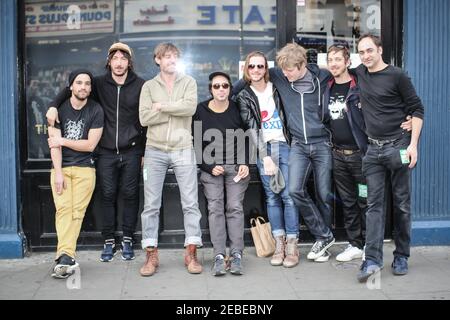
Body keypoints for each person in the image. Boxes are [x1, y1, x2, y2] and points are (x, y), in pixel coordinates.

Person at [46, 43, 146, 262]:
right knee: (107, 195)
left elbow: (147, 120)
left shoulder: (141, 85)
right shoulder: (98, 83)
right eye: (115, 58)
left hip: (132, 150)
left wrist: (144, 151)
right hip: (105, 151)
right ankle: (109, 240)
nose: (119, 63)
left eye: (123, 58)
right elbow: (71, 88)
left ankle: (128, 238)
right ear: (109, 61)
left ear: (129, 62)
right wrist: (54, 105)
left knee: (131, 195)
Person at [354, 34, 424, 282]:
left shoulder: (397, 75)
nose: (365, 56)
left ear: (380, 50)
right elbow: (333, 69)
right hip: (373, 151)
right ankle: (371, 260)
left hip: (399, 148)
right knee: (374, 206)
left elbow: (417, 109)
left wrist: (413, 145)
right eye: (361, 52)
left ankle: (402, 255)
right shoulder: (359, 73)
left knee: (402, 205)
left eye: (369, 50)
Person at [139, 43, 202, 276]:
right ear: (157, 60)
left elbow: (189, 108)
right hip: (154, 149)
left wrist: (162, 106)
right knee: (151, 206)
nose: (171, 60)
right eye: (166, 57)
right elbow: (144, 118)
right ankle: (151, 255)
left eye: (175, 56)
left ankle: (191, 252)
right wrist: (173, 109)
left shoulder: (189, 82)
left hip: (183, 147)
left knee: (190, 203)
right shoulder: (148, 86)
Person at [268, 43, 335, 261]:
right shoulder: (280, 76)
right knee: (295, 190)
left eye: (290, 70)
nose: (285, 74)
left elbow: (353, 79)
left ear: (302, 65)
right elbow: (252, 75)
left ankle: (322, 243)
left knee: (324, 195)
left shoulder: (322, 77)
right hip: (298, 144)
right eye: (283, 70)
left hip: (323, 143)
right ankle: (324, 236)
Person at [235, 51, 300, 268]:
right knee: (272, 196)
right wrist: (265, 157)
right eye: (251, 66)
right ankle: (278, 243)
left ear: (266, 69)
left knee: (289, 195)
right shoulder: (244, 96)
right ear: (246, 69)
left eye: (260, 66)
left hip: (286, 146)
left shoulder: (277, 88)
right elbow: (252, 129)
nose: (256, 70)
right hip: (265, 149)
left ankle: (292, 243)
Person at [48, 70, 104, 278]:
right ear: (70, 86)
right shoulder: (57, 111)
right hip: (61, 168)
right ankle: (65, 257)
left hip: (84, 169)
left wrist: (63, 140)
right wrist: (58, 173)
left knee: (76, 213)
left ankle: (64, 256)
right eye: (79, 83)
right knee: (63, 211)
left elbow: (89, 145)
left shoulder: (96, 110)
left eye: (87, 83)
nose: (83, 87)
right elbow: (54, 146)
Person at [193, 71, 250, 276]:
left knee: (234, 207)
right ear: (210, 89)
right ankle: (218, 255)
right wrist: (209, 166)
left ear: (229, 89)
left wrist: (245, 162)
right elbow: (197, 144)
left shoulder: (237, 108)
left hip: (236, 167)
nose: (221, 90)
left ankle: (236, 254)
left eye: (225, 86)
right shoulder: (201, 110)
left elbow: (246, 136)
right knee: (215, 208)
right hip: (212, 168)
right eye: (216, 86)